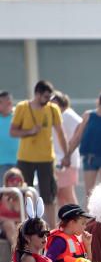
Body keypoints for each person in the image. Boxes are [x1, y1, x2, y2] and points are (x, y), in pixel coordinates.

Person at [10, 80, 67, 227]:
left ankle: (52, 229)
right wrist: (30, 131)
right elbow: (13, 131)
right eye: (45, 96)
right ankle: (25, 226)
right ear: (37, 94)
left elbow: (61, 133)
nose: (48, 100)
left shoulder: (53, 109)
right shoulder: (22, 107)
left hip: (46, 158)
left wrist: (66, 155)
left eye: (49, 96)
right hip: (25, 158)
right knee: (24, 193)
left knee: (48, 196)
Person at [49, 92, 82, 207]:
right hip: (57, 159)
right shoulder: (54, 115)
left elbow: (80, 125)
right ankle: (64, 223)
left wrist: (69, 149)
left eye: (54, 101)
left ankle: (80, 220)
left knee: (68, 195)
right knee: (60, 196)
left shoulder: (67, 113)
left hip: (67, 162)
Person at [0, 168, 38, 245]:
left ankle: (19, 250)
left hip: (23, 228)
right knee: (9, 224)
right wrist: (11, 220)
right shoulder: (1, 194)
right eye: (12, 180)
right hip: (4, 228)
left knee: (15, 225)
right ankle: (18, 251)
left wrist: (9, 220)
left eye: (18, 180)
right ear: (6, 182)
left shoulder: (26, 195)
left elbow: (28, 218)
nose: (15, 182)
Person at [0, 91, 17, 177]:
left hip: (19, 162)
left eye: (9, 102)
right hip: (1, 163)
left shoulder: (18, 117)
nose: (9, 104)